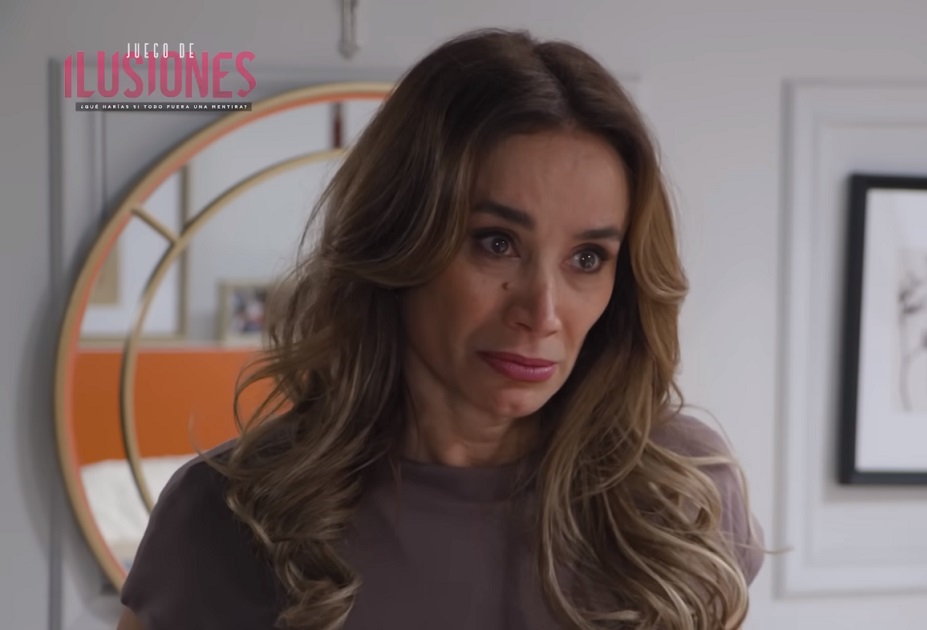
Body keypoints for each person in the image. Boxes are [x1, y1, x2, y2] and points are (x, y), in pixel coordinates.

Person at [116, 27, 764, 630]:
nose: (542, 313)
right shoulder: (230, 514)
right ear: (399, 240)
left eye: (588, 258)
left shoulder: (681, 491)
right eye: (496, 243)